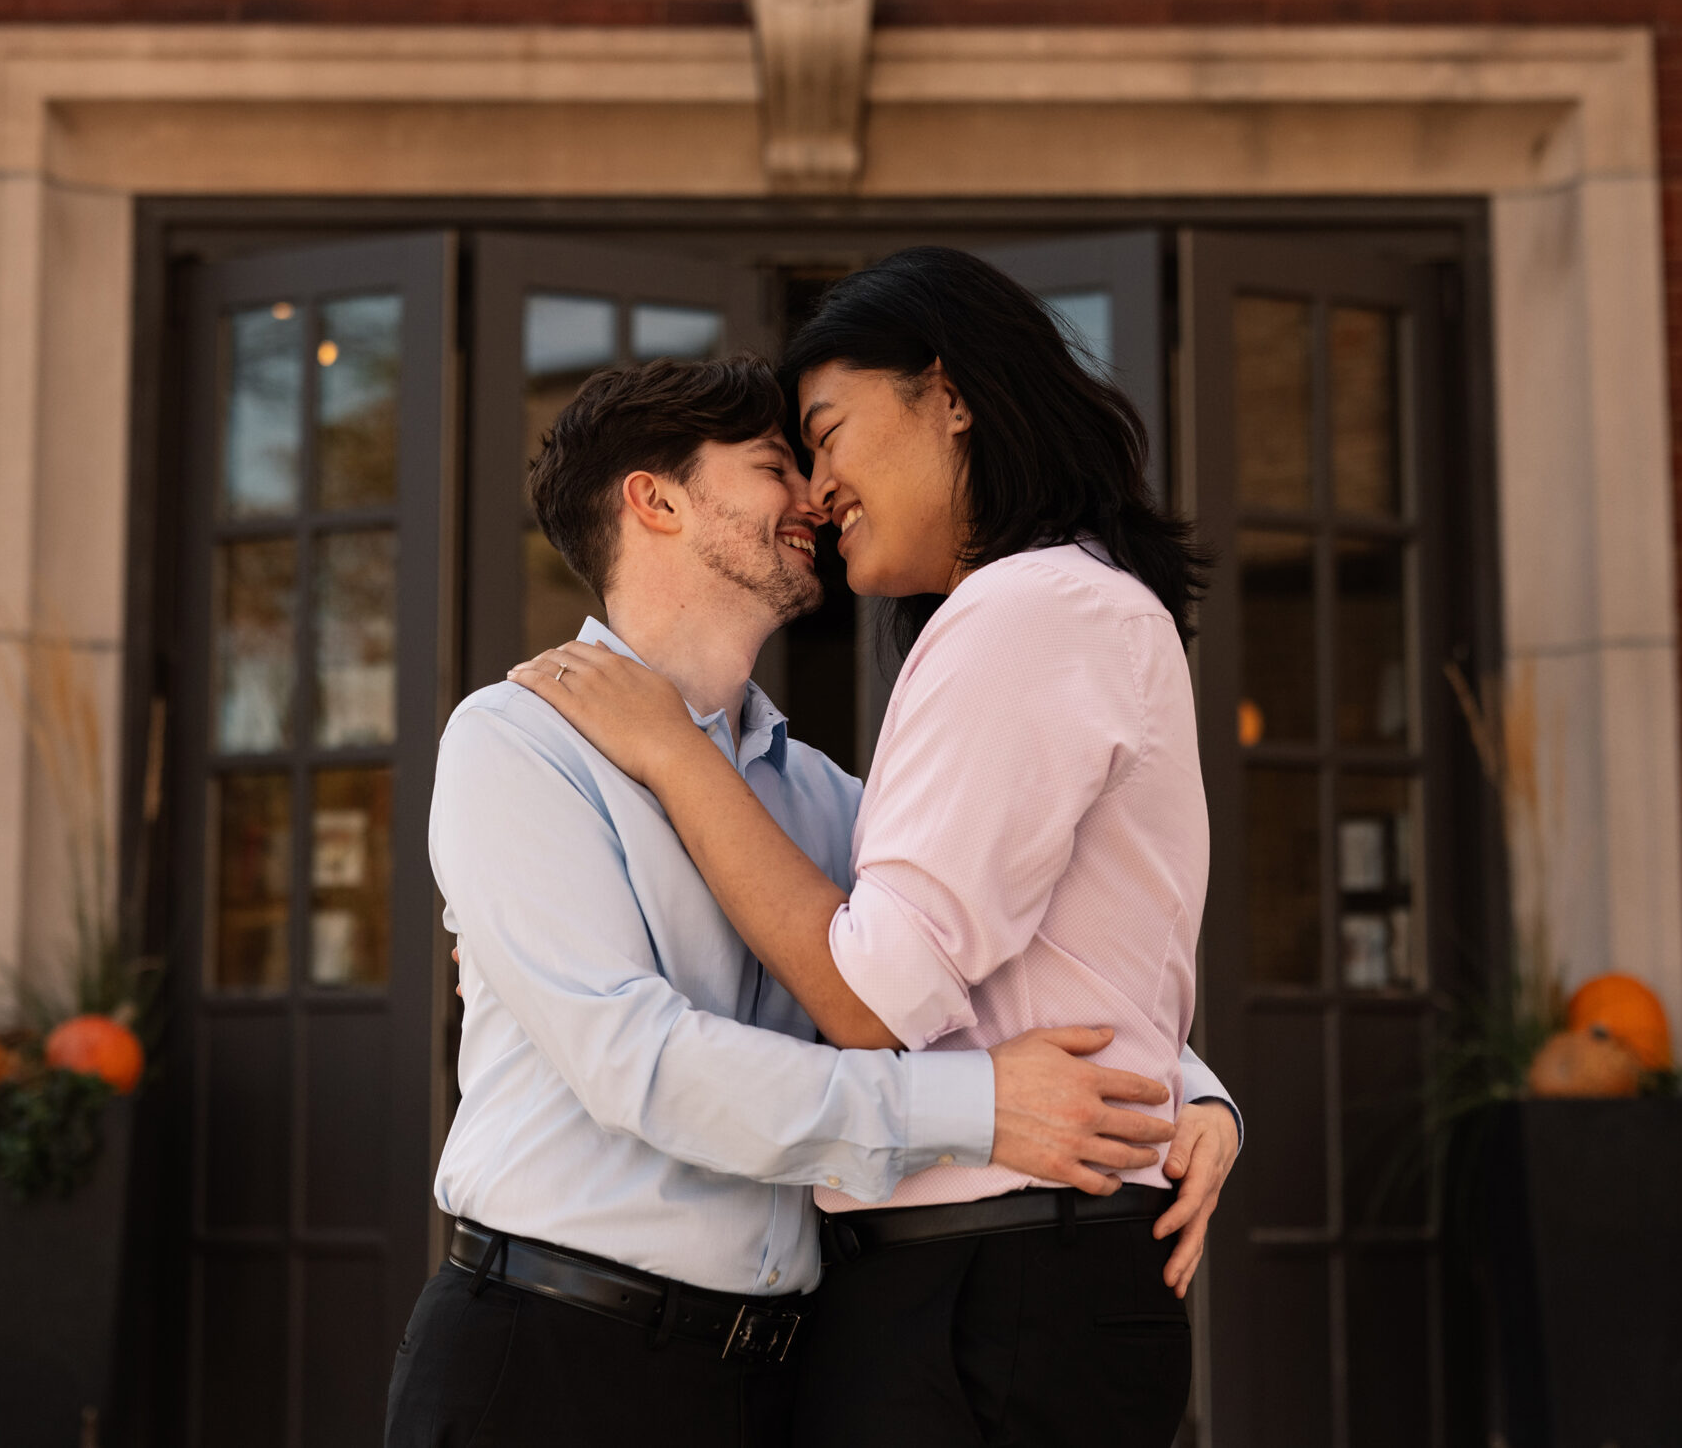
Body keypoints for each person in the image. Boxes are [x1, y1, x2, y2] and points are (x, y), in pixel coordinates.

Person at [390, 356, 1238, 1448]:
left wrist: (1184, 1089)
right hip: (549, 1360)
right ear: (655, 500)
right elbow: (645, 1068)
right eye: (775, 466)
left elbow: (985, 951)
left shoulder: (826, 797)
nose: (818, 495)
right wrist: (974, 1108)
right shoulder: (516, 743)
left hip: (770, 1380)